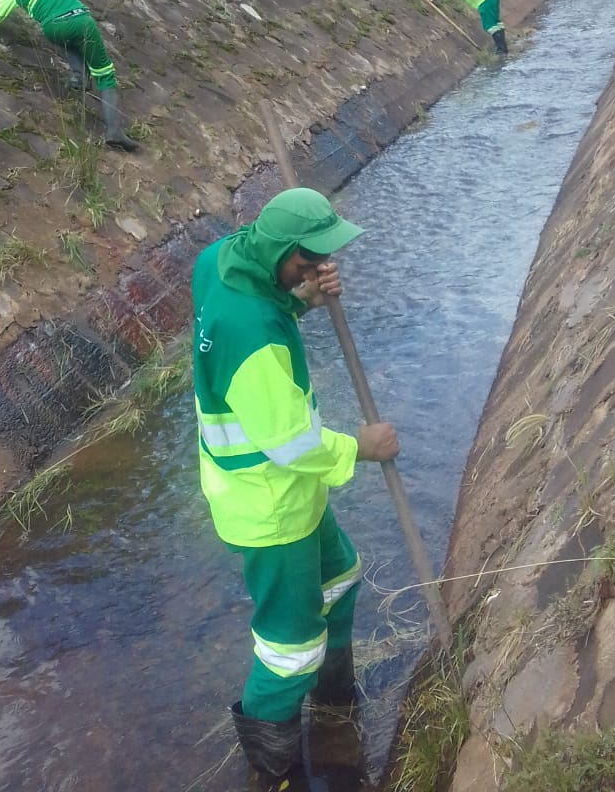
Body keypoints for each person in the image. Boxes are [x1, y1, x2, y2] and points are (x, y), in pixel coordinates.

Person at [191, 187, 399, 785]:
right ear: (280, 250)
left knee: (340, 578)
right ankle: (271, 767)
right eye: (306, 264)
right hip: (269, 505)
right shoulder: (252, 336)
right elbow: (293, 443)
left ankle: (334, 706)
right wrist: (364, 445)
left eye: (321, 264)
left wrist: (302, 299)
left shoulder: (219, 259)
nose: (316, 271)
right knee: (289, 649)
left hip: (288, 492)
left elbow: (265, 299)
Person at [0, 0, 138, 151]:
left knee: (69, 40)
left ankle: (79, 77)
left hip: (54, 29)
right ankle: (114, 131)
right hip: (80, 21)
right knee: (105, 75)